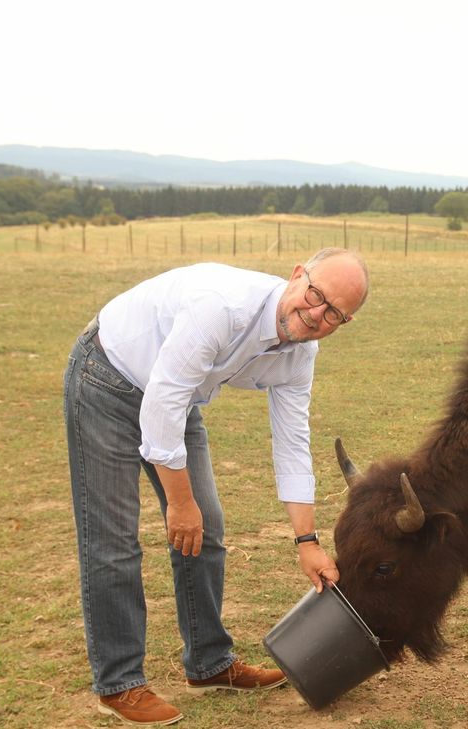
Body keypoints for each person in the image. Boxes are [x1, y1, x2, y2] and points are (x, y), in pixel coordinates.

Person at [63, 248, 369, 725]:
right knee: (114, 540)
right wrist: (179, 503)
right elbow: (161, 403)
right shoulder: (223, 306)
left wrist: (306, 541)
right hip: (108, 377)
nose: (315, 315)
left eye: (335, 314)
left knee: (206, 528)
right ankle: (119, 683)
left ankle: (209, 663)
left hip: (175, 393)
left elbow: (292, 443)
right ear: (296, 275)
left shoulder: (301, 354)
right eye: (315, 295)